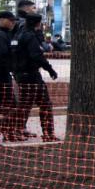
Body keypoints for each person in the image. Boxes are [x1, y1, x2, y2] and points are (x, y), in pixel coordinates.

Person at [12, 13, 59, 142]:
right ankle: (45, 133)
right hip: (31, 75)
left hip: (23, 75)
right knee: (36, 104)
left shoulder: (18, 35)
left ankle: (45, 132)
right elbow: (37, 55)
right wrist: (50, 69)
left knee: (33, 104)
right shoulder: (30, 36)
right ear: (38, 23)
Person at [0, 11, 17, 144]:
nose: (13, 23)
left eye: (14, 20)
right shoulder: (0, 36)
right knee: (9, 106)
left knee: (4, 107)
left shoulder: (3, 34)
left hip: (1, 78)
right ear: (0, 20)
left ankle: (1, 132)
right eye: (10, 20)